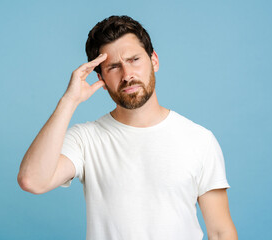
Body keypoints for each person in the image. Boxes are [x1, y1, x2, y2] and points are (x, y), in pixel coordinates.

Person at [17, 15, 238, 240]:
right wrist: (69, 101)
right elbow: (32, 181)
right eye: (113, 67)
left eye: (134, 59)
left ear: (154, 61)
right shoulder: (85, 140)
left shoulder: (199, 140)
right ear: (100, 78)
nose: (127, 75)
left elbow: (221, 232)